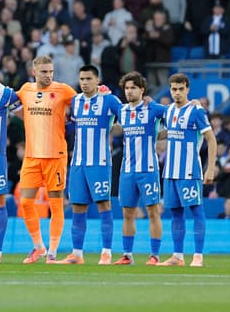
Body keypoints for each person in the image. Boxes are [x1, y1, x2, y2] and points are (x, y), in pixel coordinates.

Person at [57, 65, 122, 265]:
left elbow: (128, 116)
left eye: (88, 79)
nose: (84, 83)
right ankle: (77, 254)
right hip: (78, 162)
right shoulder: (75, 101)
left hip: (100, 162)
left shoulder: (109, 100)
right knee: (77, 206)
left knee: (104, 204)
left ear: (97, 80)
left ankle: (106, 252)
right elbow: (71, 126)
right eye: (82, 79)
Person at [16, 55, 77, 264]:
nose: (48, 75)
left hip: (55, 156)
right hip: (32, 156)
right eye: (44, 71)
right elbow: (6, 101)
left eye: (51, 71)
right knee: (25, 202)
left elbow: (84, 102)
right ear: (34, 72)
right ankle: (39, 247)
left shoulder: (63, 90)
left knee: (56, 204)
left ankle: (52, 251)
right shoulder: (25, 90)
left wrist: (100, 93)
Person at [158, 73, 217, 267]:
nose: (177, 93)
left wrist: (210, 169)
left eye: (180, 89)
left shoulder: (196, 111)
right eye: (173, 89)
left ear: (187, 89)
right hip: (170, 172)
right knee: (175, 212)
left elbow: (211, 139)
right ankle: (178, 256)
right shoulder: (168, 112)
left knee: (196, 210)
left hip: (189, 170)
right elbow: (169, 132)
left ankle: (198, 256)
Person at [113, 71, 167, 265]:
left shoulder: (152, 109)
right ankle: (127, 255)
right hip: (127, 170)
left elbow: (176, 112)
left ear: (141, 89)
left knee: (153, 212)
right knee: (127, 213)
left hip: (148, 169)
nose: (129, 91)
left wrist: (193, 104)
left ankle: (154, 255)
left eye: (133, 88)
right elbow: (114, 126)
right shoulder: (122, 111)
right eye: (126, 88)